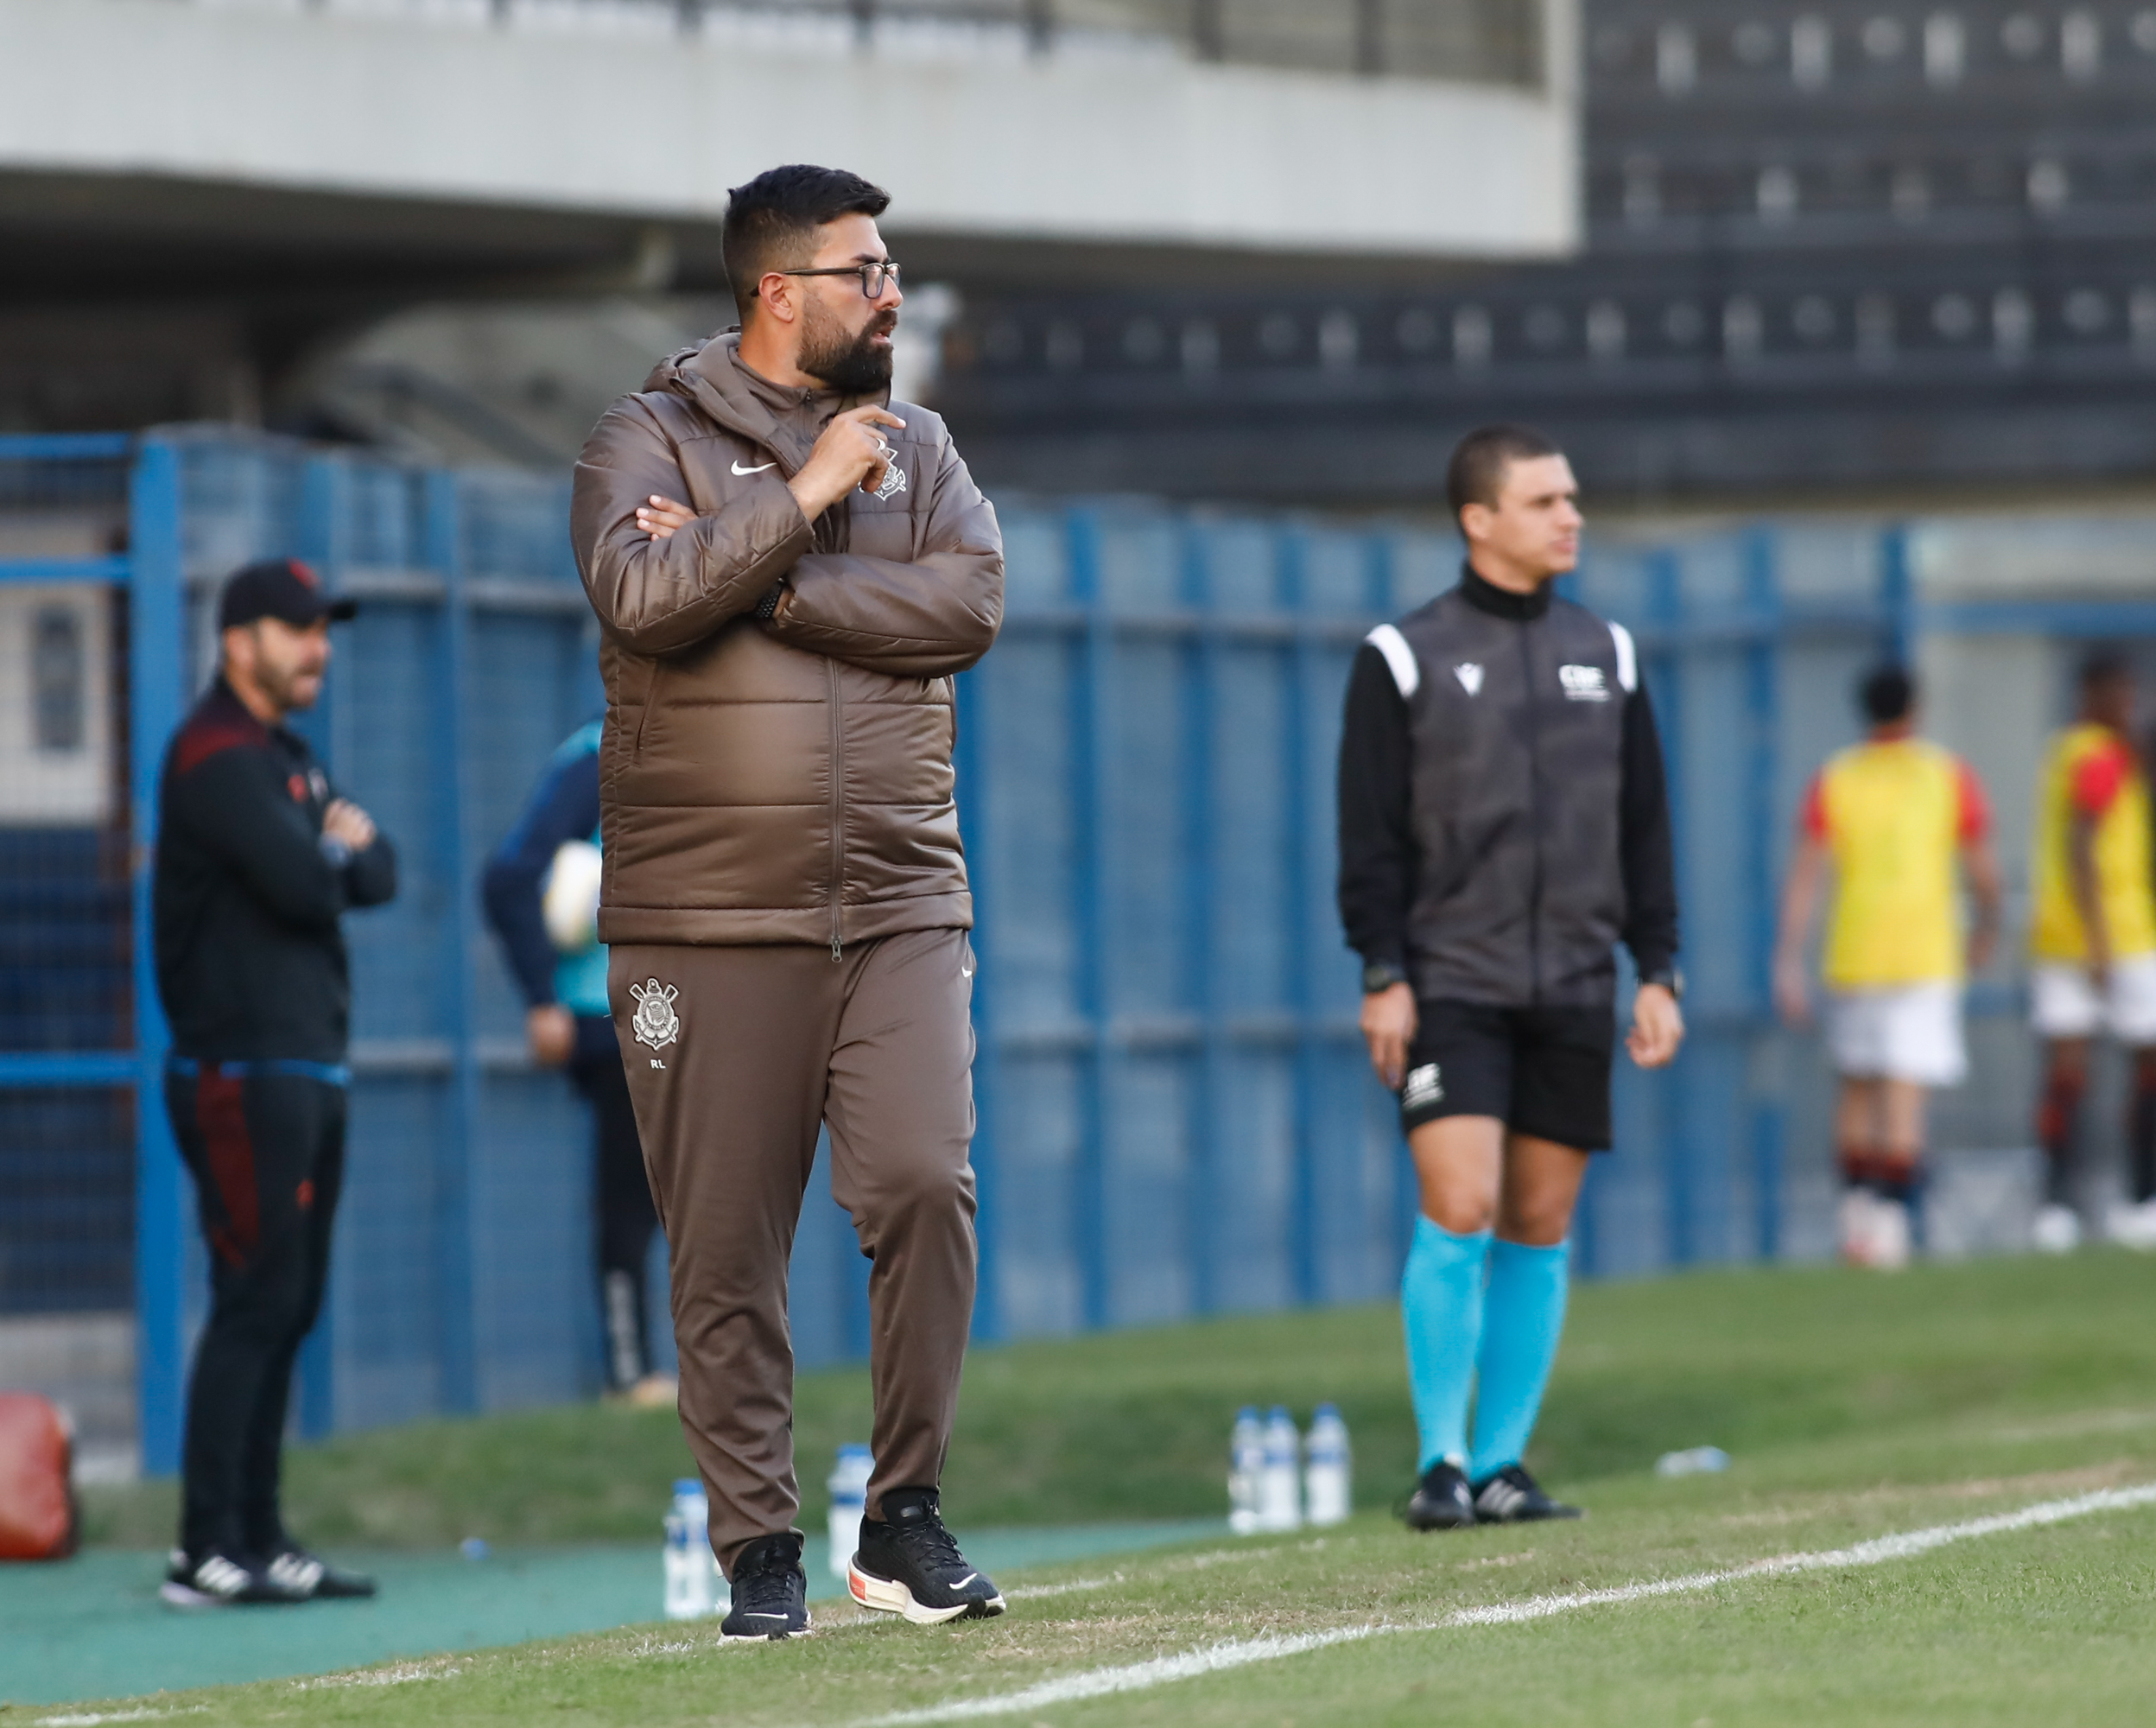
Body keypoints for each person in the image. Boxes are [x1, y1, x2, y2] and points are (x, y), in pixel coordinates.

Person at [570, 164, 1004, 1638]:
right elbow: (639, 598)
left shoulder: (924, 447)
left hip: (898, 904)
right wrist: (808, 500)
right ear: (777, 292)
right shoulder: (643, 435)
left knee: (924, 1188)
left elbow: (968, 608)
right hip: (701, 923)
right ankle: (760, 1550)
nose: (889, 293)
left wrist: (777, 591)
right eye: (863, 271)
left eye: (890, 269)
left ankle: (905, 1516)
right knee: (724, 1248)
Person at [1337, 423, 1684, 1532]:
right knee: (1464, 1200)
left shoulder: (1611, 651)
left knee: (1539, 1220)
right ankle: (1440, 1459)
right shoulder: (1402, 653)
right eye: (1544, 501)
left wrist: (1658, 968)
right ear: (1479, 520)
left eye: (1572, 497)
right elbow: (1371, 836)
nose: (1570, 515)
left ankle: (1501, 1461)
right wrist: (1383, 969)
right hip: (1451, 983)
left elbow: (1646, 829)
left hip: (1577, 981)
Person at [151, 557, 396, 1606]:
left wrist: (336, 852)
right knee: (255, 1296)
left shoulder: (284, 754)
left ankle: (261, 1533)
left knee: (289, 1300)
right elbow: (309, 879)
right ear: (237, 641)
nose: (319, 648)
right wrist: (330, 851)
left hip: (305, 1061)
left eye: (323, 630)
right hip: (241, 1068)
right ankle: (206, 1544)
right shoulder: (214, 755)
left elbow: (377, 871)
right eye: (298, 629)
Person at [1772, 665, 2002, 1269]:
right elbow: (1983, 870)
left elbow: (1805, 876)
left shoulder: (1837, 778)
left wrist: (1788, 958)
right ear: (1916, 708)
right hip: (1925, 954)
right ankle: (1894, 1230)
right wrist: (1988, 928)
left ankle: (1857, 1221)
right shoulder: (1947, 775)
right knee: (1903, 1094)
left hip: (1856, 953)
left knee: (1856, 1089)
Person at [481, 721, 673, 1407]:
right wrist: (541, 997)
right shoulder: (602, 755)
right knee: (632, 1193)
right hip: (613, 1012)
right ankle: (630, 1372)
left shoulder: (717, 749)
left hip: (689, 1012)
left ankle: (698, 1370)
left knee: (689, 1197)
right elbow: (510, 878)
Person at [2027, 651, 2156, 1253]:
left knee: (2065, 1075)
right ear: (2094, 692)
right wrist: (2102, 940)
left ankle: (2056, 1208)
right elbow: (2082, 846)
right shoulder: (2103, 756)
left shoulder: (2066, 752)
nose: (2130, 703)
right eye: (2123, 691)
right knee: (2142, 1067)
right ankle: (2140, 1199)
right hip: (2118, 937)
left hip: (2058, 935)